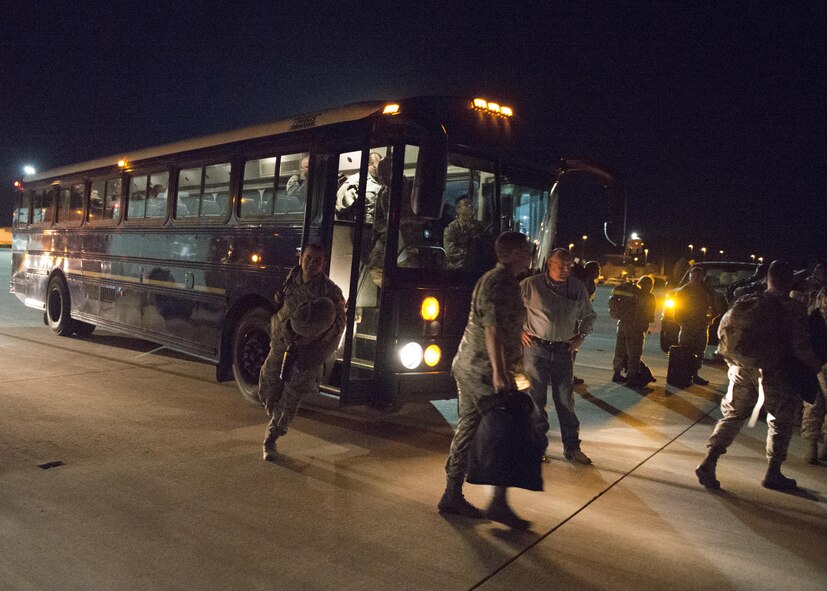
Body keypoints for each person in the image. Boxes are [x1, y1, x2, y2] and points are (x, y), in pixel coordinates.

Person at [695, 261, 823, 491]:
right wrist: (814, 365)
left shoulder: (748, 301)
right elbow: (800, 345)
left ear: (767, 279)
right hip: (775, 372)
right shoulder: (790, 307)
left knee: (733, 415)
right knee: (780, 422)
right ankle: (773, 472)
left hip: (742, 368)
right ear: (789, 281)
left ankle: (709, 460)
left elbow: (724, 330)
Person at [438, 231, 534, 529]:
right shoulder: (500, 282)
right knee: (510, 429)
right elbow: (492, 329)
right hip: (482, 371)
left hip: (472, 367)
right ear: (516, 252)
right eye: (528, 249)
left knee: (469, 426)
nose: (531, 253)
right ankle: (498, 503)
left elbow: (502, 328)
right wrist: (500, 373)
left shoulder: (500, 280)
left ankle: (452, 494)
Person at [259, 243, 346, 460]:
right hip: (280, 343)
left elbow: (339, 323)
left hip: (306, 352)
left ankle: (271, 439)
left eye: (317, 260)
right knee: (268, 387)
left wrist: (313, 338)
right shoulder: (293, 278)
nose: (312, 263)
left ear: (323, 264)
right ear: (301, 259)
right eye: (308, 258)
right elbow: (285, 305)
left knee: (291, 397)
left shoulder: (330, 292)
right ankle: (273, 414)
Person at [521, 247, 596, 464]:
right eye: (561, 265)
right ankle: (536, 448)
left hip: (564, 351)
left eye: (569, 265)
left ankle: (572, 448)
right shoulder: (531, 285)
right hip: (536, 349)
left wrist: (581, 336)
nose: (565, 269)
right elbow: (510, 308)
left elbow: (590, 316)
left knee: (565, 401)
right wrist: (519, 330)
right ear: (549, 264)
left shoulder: (577, 287)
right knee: (536, 401)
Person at [792, 263, 827, 464]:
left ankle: (815, 448)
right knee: (815, 402)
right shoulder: (809, 293)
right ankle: (817, 448)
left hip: (814, 356)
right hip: (814, 356)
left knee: (814, 403)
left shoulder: (810, 296)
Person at [673, 265, 716, 385]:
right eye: (693, 276)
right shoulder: (683, 291)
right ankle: (684, 376)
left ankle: (695, 374)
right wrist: (682, 322)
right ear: (690, 277)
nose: (696, 279)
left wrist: (712, 316)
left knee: (699, 350)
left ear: (702, 277)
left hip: (701, 325)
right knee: (685, 350)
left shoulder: (707, 290)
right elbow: (677, 309)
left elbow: (717, 306)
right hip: (687, 325)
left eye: (698, 277)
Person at [612, 276, 657, 387]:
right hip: (635, 327)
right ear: (650, 285)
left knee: (620, 350)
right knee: (634, 354)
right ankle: (632, 377)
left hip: (622, 324)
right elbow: (650, 315)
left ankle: (617, 373)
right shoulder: (649, 297)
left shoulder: (630, 294)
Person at [336, 152, 382, 223]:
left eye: (380, 167)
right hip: (363, 228)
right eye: (375, 167)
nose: (378, 170)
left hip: (379, 228)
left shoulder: (383, 182)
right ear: (368, 165)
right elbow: (341, 208)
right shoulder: (355, 181)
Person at [443, 195, 486, 270]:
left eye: (471, 204)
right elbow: (450, 251)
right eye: (466, 204)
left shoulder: (479, 226)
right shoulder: (452, 228)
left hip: (477, 265)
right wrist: (470, 253)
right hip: (458, 267)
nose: (470, 206)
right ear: (458, 209)